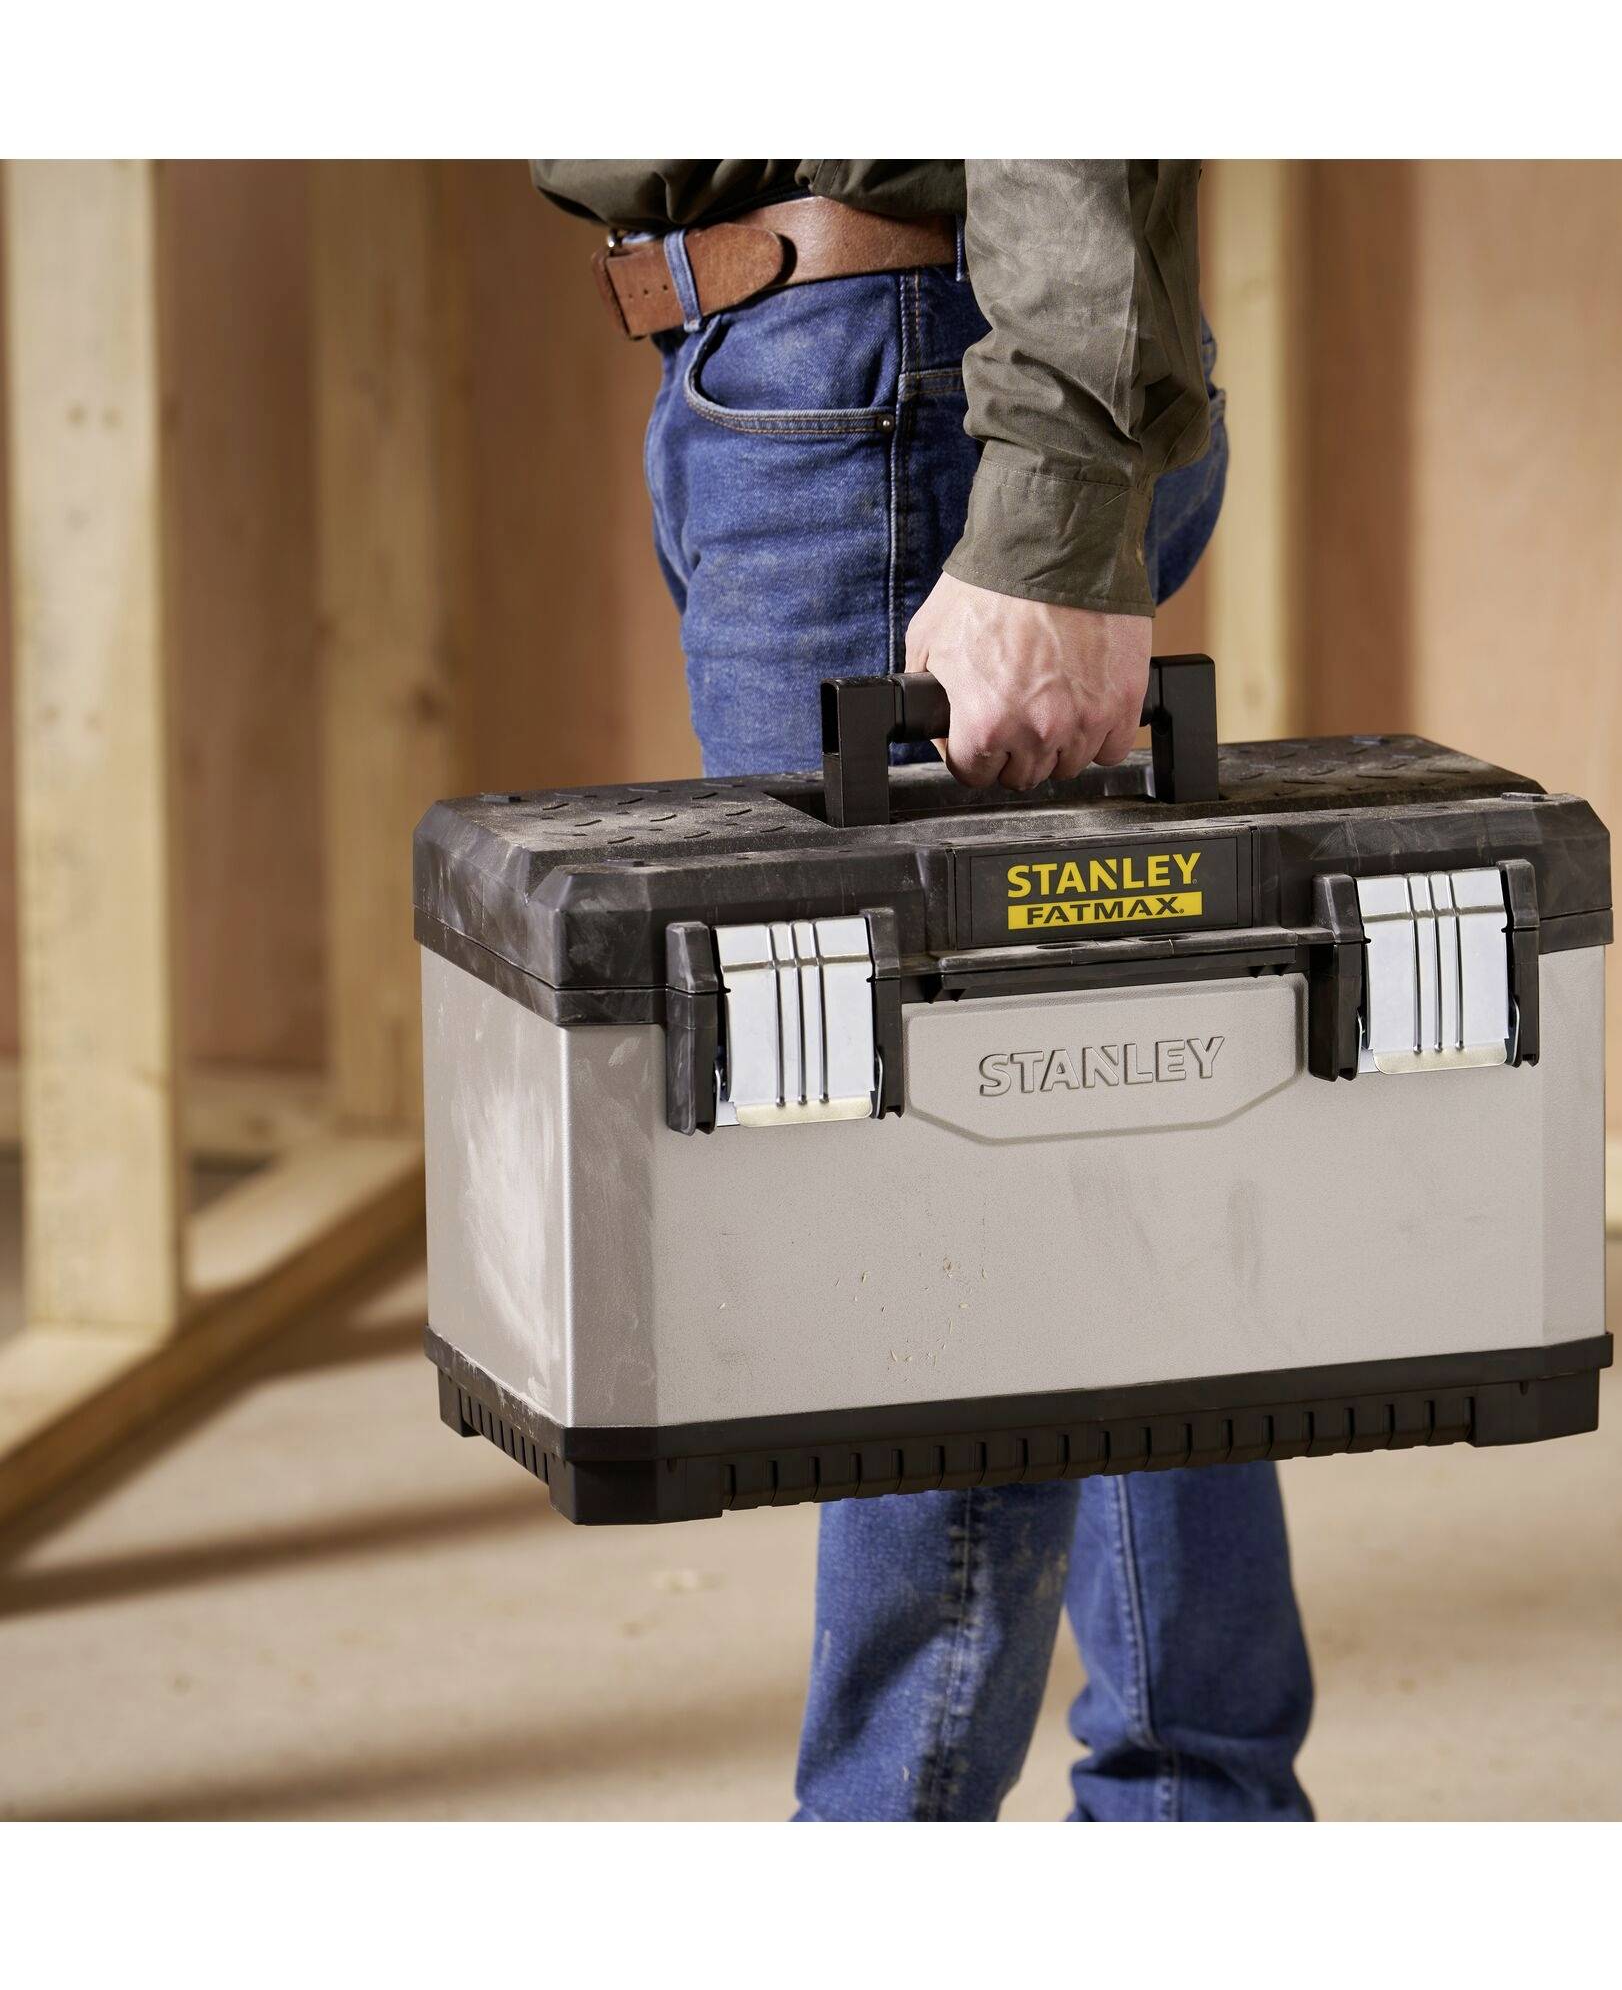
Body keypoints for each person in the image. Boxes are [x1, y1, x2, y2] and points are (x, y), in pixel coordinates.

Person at [534, 159, 1314, 1821]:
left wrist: (1046, 512)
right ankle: (1202, 1816)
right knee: (1101, 1152)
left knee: (920, 1194)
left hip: (907, 393)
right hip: (853, 373)